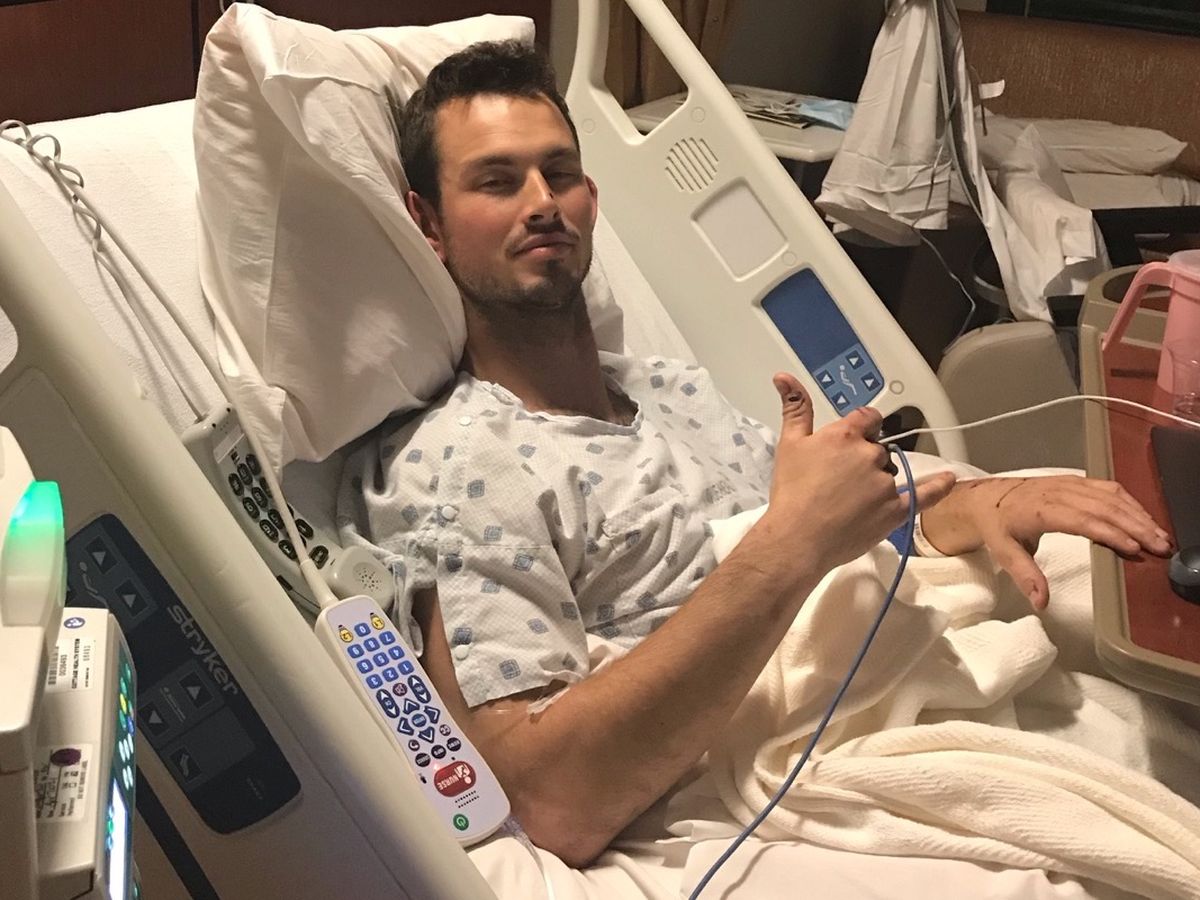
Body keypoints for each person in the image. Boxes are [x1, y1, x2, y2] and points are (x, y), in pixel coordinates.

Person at [338, 39, 1171, 867]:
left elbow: (839, 521)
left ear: (591, 197)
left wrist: (980, 505)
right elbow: (543, 799)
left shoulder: (673, 391)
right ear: (428, 223)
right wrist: (789, 546)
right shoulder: (461, 468)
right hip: (785, 754)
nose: (540, 202)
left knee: (1134, 608)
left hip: (900, 657)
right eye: (496, 181)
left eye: (559, 173)